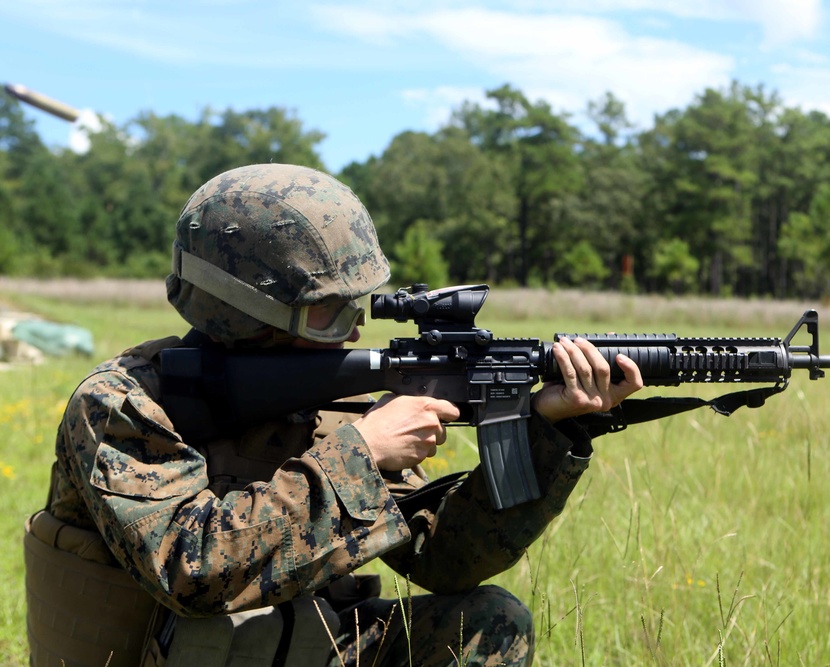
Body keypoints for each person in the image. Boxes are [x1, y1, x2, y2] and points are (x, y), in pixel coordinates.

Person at [24, 163, 643, 667]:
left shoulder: (327, 395)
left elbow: (443, 559)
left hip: (299, 650)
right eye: (327, 313)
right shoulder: (124, 404)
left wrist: (547, 429)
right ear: (243, 308)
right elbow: (194, 572)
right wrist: (362, 452)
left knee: (488, 622)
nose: (351, 332)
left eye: (355, 307)